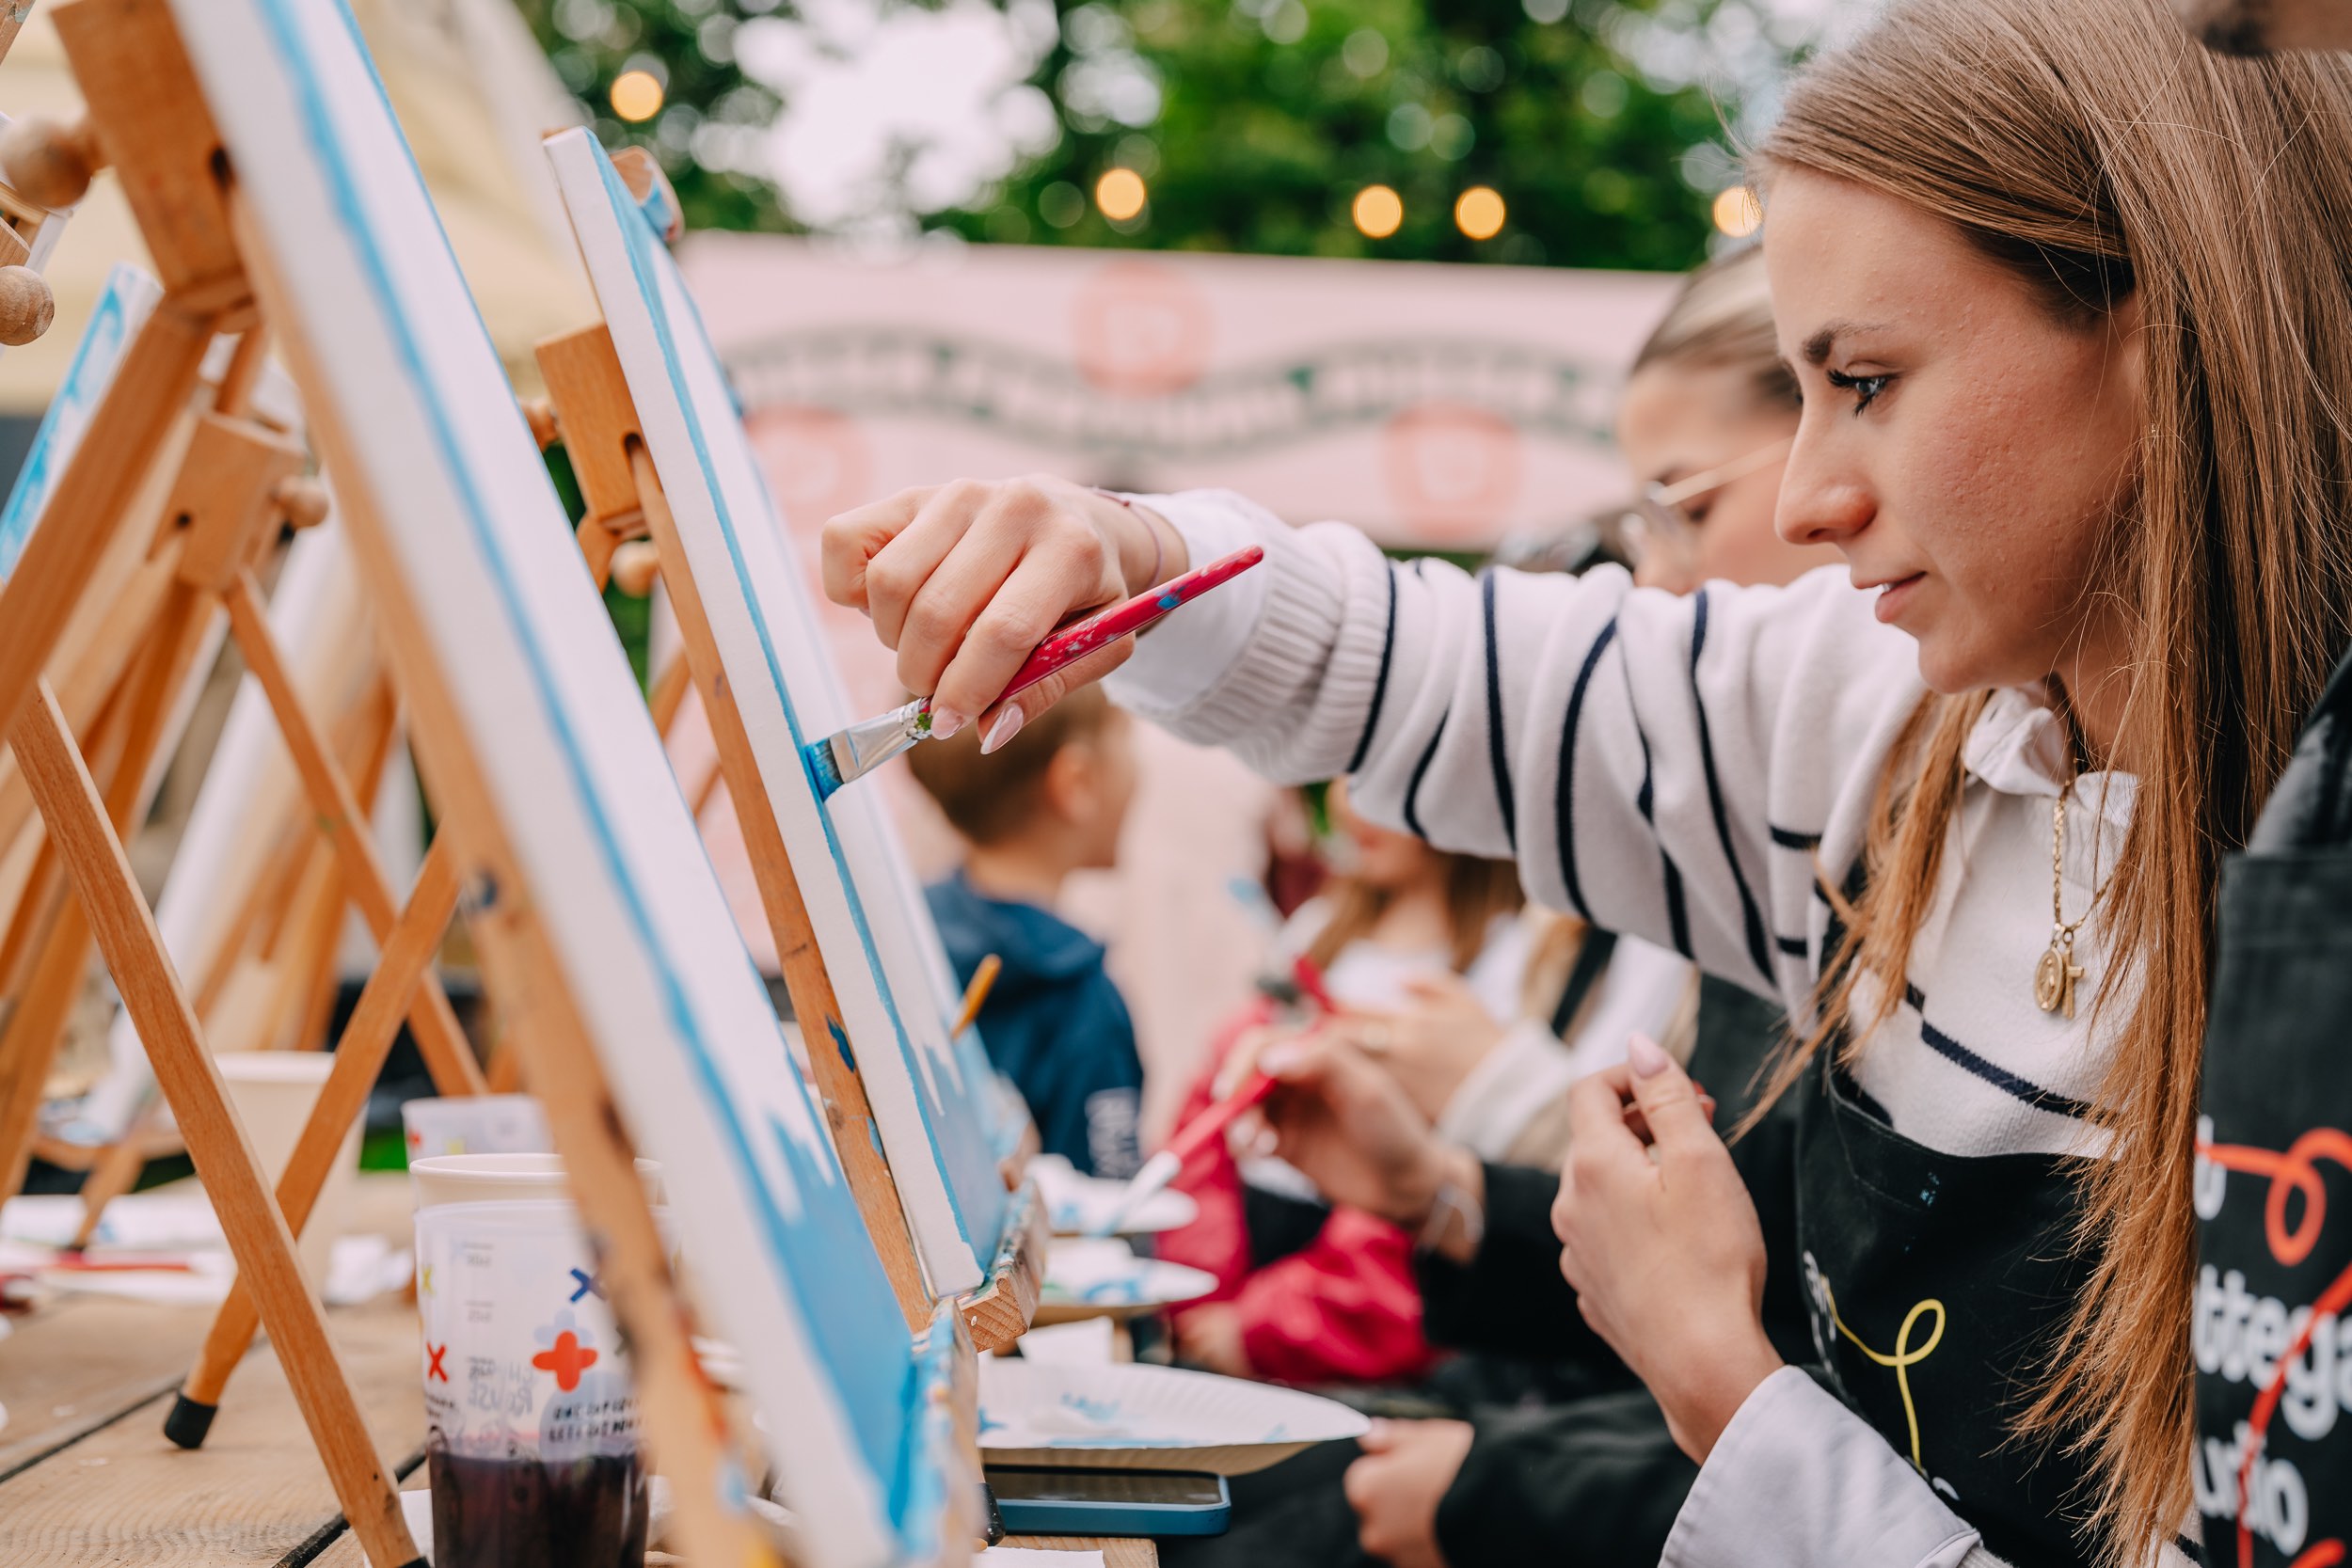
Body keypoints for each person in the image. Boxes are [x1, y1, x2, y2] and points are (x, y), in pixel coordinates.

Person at [821, 0, 2352, 1558]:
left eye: (1868, 381)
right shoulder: (1882, 721)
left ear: (2156, 337)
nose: (1809, 498)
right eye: (1803, 392)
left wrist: (1720, 1384)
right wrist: (1134, 549)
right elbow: (1419, 662)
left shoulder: (2284, 885)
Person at [1161, 781, 1546, 1388]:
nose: (1349, 800)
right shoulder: (1316, 931)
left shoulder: (1506, 966)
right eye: (1341, 770)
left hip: (1358, 1341)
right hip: (1244, 1265)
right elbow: (1218, 1107)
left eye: (1380, 768)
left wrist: (1263, 1329)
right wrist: (1201, 1285)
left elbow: (1420, 1197)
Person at [906, 684, 1145, 1178]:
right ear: (1077, 781)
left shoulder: (903, 937)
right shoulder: (1083, 1002)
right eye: (1126, 744)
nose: (1140, 773)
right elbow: (1106, 1197)